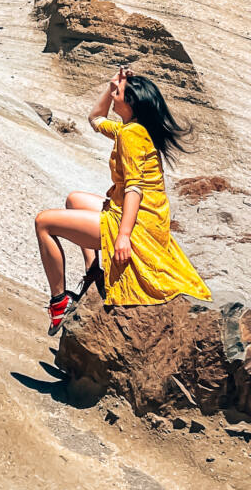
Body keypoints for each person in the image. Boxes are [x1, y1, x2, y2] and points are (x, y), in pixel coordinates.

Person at [36, 69, 210, 334]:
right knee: (73, 199)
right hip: (137, 214)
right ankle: (93, 271)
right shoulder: (129, 129)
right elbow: (95, 118)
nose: (114, 95)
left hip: (135, 223)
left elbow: (134, 189)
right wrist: (111, 86)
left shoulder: (130, 136)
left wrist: (124, 236)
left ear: (130, 103)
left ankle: (59, 301)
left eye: (117, 93)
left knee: (44, 223)